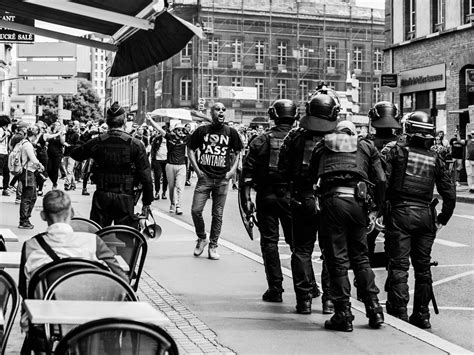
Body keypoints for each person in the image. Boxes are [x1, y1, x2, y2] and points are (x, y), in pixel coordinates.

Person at [309, 119, 386, 332]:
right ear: (354, 133)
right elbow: (380, 179)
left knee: (337, 259)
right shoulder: (366, 146)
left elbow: (310, 177)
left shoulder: (323, 145)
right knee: (361, 256)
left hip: (332, 202)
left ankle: (343, 313)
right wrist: (375, 210)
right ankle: (374, 309)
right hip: (358, 203)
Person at [384, 111, 456, 328]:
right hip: (426, 216)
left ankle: (399, 314)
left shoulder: (396, 152)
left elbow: (382, 183)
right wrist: (442, 219)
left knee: (399, 265)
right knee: (423, 268)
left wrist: (379, 210)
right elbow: (449, 193)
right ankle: (422, 315)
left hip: (401, 214)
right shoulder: (436, 158)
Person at [278, 91, 338, 315]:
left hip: (302, 197)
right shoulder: (340, 136)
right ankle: (329, 301)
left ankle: (304, 301)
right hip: (330, 199)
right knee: (330, 251)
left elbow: (282, 168)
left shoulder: (295, 136)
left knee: (302, 250)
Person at [241, 99, 298, 303]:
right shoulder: (300, 139)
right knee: (299, 244)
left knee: (270, 242)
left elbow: (246, 175)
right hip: (294, 198)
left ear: (273, 115)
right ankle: (307, 289)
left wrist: (247, 201)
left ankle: (275, 288)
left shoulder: (260, 141)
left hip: (266, 197)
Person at [70, 102, 153, 228]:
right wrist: (146, 202)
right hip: (125, 196)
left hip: (103, 196)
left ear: (107, 122)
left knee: (99, 235)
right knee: (125, 238)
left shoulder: (98, 142)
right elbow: (146, 176)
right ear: (124, 121)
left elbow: (76, 153)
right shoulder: (135, 144)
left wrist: (86, 134)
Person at [188, 102, 243, 260]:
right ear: (211, 112)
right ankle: (201, 238)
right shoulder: (202, 131)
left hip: (222, 180)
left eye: (223, 110)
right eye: (217, 109)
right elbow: (190, 149)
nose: (221, 112)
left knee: (217, 215)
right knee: (195, 210)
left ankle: (213, 245)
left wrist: (232, 171)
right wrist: (197, 170)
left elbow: (239, 150)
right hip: (204, 179)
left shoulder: (231, 132)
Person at [366, 101, 401, 263]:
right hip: (396, 201)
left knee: (366, 245)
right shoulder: (402, 144)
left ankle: (365, 284)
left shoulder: (365, 143)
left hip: (371, 200)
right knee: (394, 250)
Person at [146, 117, 188, 214]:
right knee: (172, 186)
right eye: (178, 129)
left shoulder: (186, 138)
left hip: (181, 165)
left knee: (180, 187)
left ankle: (178, 206)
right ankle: (172, 204)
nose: (180, 131)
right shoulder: (169, 137)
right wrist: (150, 120)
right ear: (174, 130)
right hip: (170, 165)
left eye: (182, 130)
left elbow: (197, 135)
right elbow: (159, 129)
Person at [18, 126, 45, 229]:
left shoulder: (24, 142)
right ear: (34, 135)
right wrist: (40, 165)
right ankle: (23, 220)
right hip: (27, 172)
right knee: (27, 197)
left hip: (29, 172)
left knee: (32, 196)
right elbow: (33, 158)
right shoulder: (28, 145)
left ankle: (26, 218)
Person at [149, 124, 168, 200]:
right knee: (157, 176)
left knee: (166, 178)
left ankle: (164, 192)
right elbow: (153, 149)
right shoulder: (157, 139)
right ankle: (157, 192)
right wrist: (153, 160)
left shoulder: (169, 139)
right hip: (157, 160)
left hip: (167, 160)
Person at [45, 120, 66, 190]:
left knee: (55, 169)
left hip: (58, 154)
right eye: (55, 125)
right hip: (50, 154)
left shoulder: (61, 133)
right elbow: (46, 139)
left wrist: (60, 135)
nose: (56, 126)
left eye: (58, 125)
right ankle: (54, 182)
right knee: (49, 169)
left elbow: (63, 142)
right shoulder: (50, 133)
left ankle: (54, 183)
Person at [0, 114, 11, 196]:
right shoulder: (0, 130)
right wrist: (5, 135)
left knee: (6, 171)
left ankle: (5, 188)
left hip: (5, 152)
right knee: (1, 171)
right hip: (0, 152)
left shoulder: (5, 130)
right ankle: (3, 187)